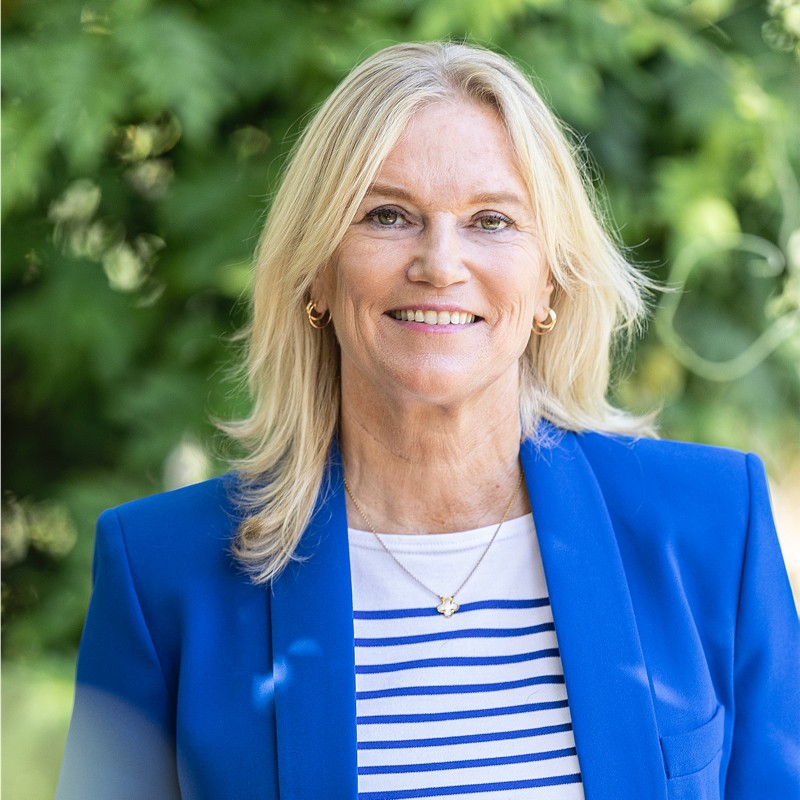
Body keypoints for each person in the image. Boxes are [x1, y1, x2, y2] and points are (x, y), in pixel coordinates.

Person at [56, 41, 798, 800]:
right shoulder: (161, 573)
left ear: (550, 282)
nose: (440, 264)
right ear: (316, 273)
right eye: (388, 215)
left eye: (492, 220)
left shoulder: (711, 526)